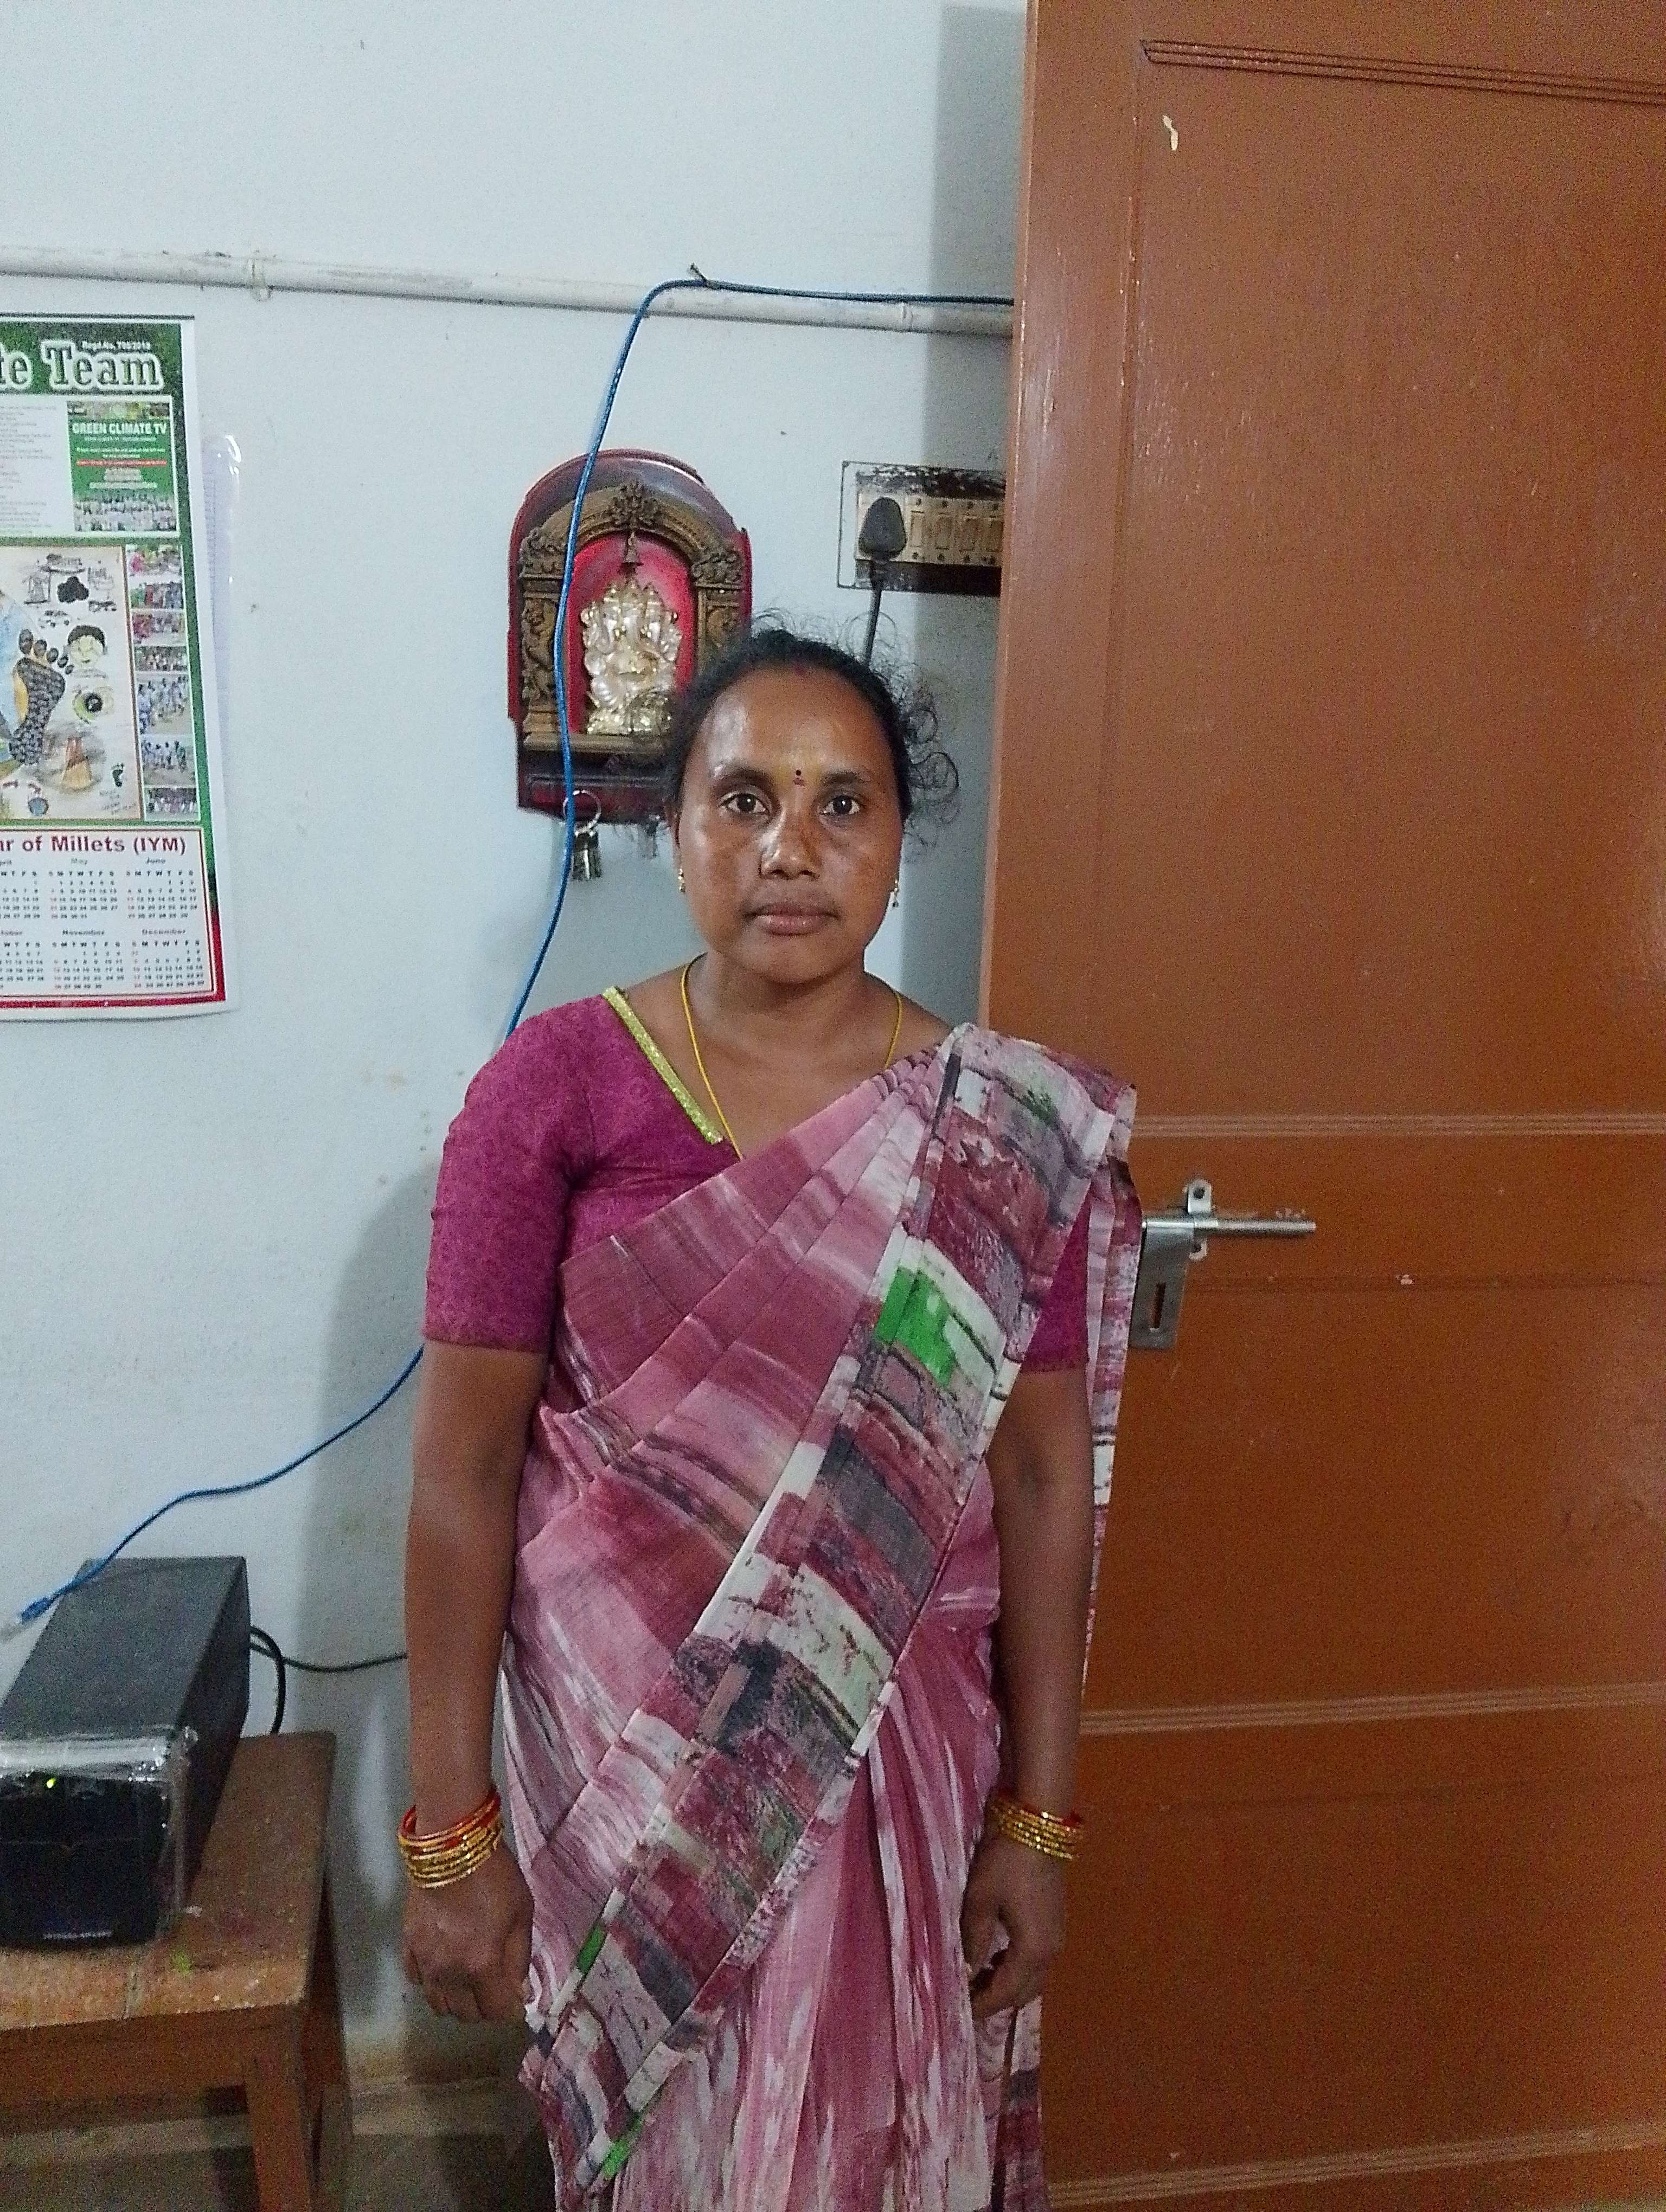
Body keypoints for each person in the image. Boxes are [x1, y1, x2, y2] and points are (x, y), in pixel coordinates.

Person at [402, 627, 1140, 2211]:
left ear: (897, 841)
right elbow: (462, 1476)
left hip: (899, 1761)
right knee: (666, 2147)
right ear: (674, 835)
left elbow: (1037, 1482)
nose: (789, 849)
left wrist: (1041, 1820)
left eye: (841, 804)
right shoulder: (554, 1092)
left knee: (874, 2136)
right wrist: (452, 1837)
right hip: (629, 1784)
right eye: (743, 800)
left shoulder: (994, 1133)